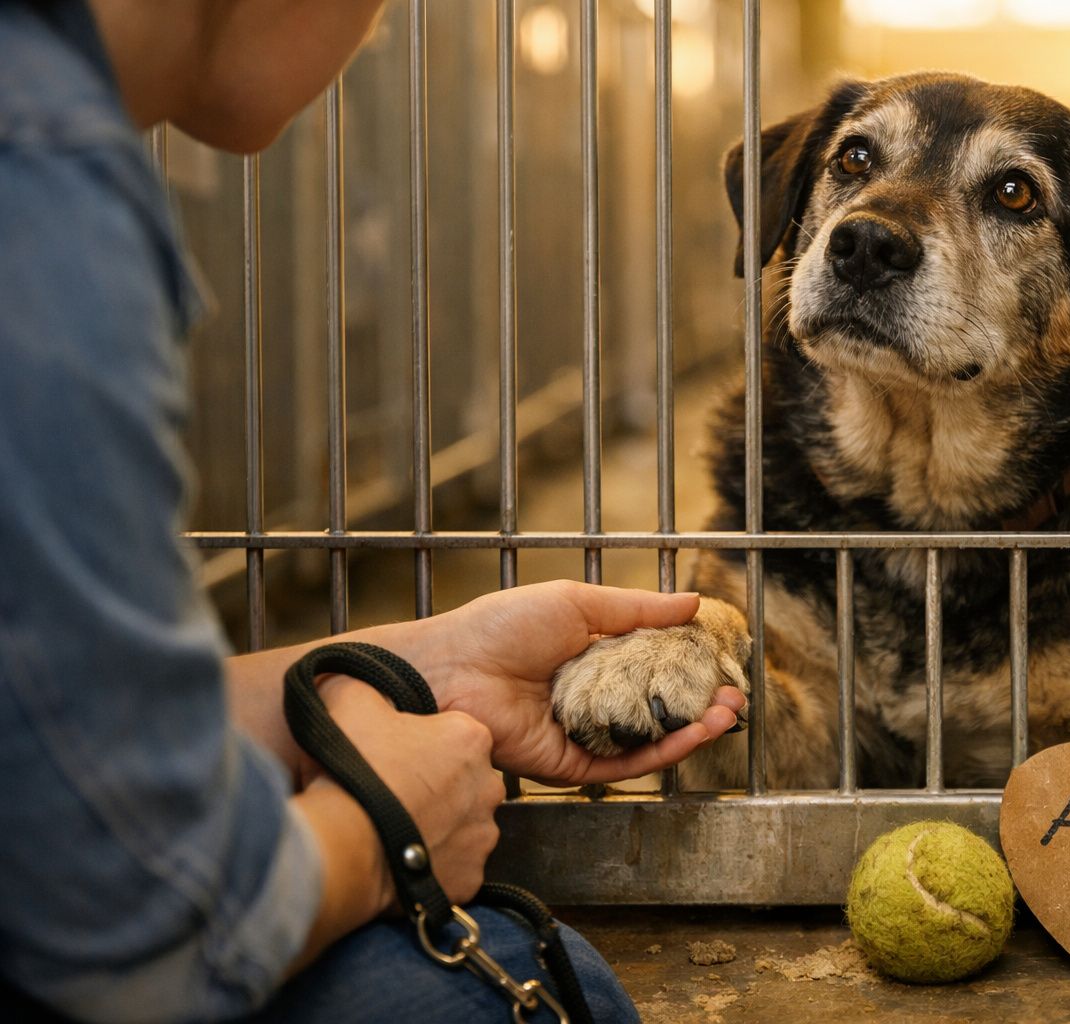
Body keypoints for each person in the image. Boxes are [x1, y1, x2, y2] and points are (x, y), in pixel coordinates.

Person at [0, 1, 746, 1020]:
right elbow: (134, 919)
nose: (370, 34)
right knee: (511, 985)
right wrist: (386, 830)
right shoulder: (40, 177)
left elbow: (49, 728)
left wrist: (419, 666)